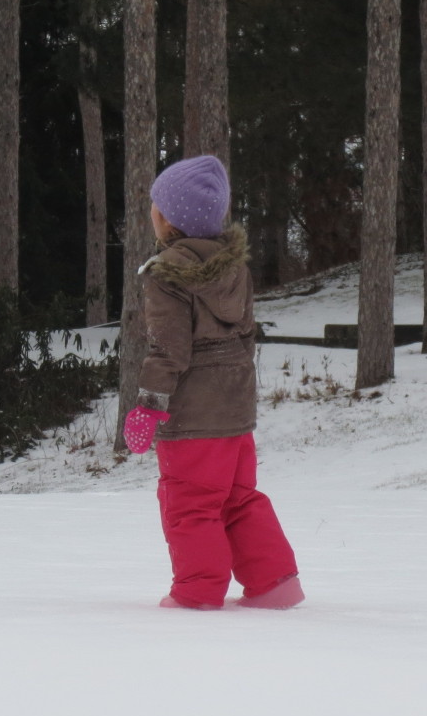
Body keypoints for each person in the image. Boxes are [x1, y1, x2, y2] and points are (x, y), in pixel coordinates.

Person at [123, 154, 304, 611]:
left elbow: (169, 350)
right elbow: (244, 337)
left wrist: (148, 405)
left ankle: (198, 593)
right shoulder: (234, 268)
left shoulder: (167, 276)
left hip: (193, 418)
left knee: (191, 504)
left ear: (166, 218)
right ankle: (274, 583)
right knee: (238, 498)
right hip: (235, 413)